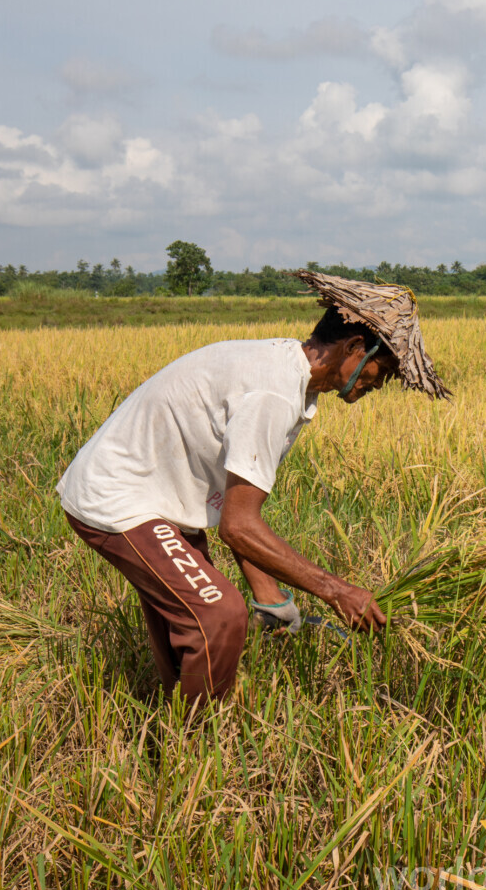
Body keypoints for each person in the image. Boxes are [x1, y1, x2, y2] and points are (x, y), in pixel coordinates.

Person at [57, 271, 451, 709]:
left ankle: (167, 729)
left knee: (187, 627)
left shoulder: (288, 372)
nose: (377, 384)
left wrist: (271, 595)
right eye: (382, 372)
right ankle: (191, 750)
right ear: (355, 348)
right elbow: (239, 526)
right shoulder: (274, 393)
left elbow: (234, 500)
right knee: (218, 617)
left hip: (159, 496)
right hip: (119, 497)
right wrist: (338, 591)